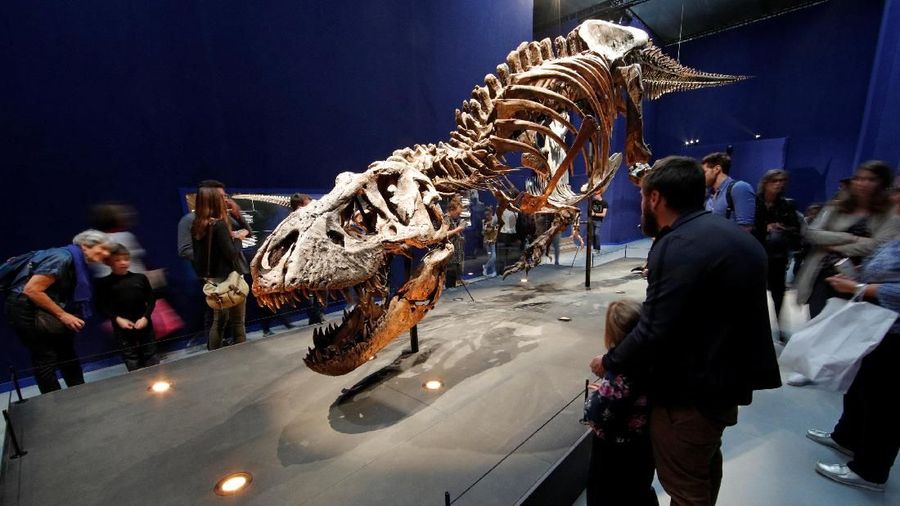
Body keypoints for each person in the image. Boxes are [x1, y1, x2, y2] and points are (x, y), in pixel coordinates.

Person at [590, 156, 781, 505]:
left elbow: (654, 329)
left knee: (684, 483)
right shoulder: (730, 236)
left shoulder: (676, 244)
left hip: (692, 394)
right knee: (704, 466)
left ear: (655, 199)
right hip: (724, 387)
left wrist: (610, 361)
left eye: (642, 198)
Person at [807, 221, 899, 492]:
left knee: (886, 405)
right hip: (880, 326)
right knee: (862, 388)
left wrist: (861, 288)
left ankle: (871, 471)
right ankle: (847, 437)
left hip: (894, 332)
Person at [4, 230, 112, 393]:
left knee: (67, 352)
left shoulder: (74, 261)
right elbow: (32, 290)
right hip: (25, 308)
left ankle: (79, 395)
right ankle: (54, 402)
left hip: (45, 306)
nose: (106, 253)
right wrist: (62, 315)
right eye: (102, 248)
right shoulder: (62, 257)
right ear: (84, 246)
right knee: (45, 356)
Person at [795, 160, 900, 319]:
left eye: (870, 179)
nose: (862, 183)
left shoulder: (889, 214)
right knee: (817, 322)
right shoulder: (835, 207)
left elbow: (876, 247)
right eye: (858, 178)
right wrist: (852, 238)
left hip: (860, 279)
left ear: (882, 183)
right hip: (823, 274)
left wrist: (832, 246)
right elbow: (812, 233)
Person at [584, 299, 657, 506]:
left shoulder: (622, 372)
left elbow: (597, 413)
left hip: (614, 453)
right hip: (643, 447)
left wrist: (598, 398)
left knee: (606, 494)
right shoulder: (651, 361)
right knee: (638, 491)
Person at [191, 186, 249, 350]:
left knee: (218, 323)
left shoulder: (197, 225)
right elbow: (232, 254)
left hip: (214, 281)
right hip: (230, 280)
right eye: (222, 197)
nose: (225, 199)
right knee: (238, 322)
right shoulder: (219, 225)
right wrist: (238, 238)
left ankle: (215, 357)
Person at [96, 243, 159, 371]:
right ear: (109, 262)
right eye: (117, 260)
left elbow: (151, 299)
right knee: (131, 358)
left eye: (125, 259)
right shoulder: (104, 283)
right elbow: (102, 306)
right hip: (122, 327)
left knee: (150, 354)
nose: (123, 263)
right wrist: (117, 319)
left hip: (143, 323)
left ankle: (156, 379)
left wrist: (145, 317)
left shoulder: (140, 278)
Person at [753, 169, 801, 339]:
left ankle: (779, 326)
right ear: (765, 182)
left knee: (778, 292)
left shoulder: (787, 205)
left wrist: (782, 227)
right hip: (755, 253)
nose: (779, 184)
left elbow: (797, 229)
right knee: (753, 292)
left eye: (782, 181)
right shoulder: (754, 202)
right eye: (775, 181)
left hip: (777, 255)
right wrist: (764, 228)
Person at [701, 152, 756, 231]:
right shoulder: (710, 196)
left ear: (717, 169)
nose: (701, 176)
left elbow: (745, 228)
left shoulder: (740, 187)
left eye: (704, 172)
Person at [444, 199, 467, 288]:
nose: (458, 215)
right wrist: (459, 229)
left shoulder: (452, 219)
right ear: (452, 210)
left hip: (454, 257)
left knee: (453, 281)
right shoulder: (446, 218)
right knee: (450, 283)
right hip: (450, 258)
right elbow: (444, 234)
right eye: (457, 213)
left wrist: (459, 236)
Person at [482, 206, 498, 277]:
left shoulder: (495, 220)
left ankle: (485, 267)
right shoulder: (484, 221)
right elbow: (482, 233)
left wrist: (493, 239)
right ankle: (493, 271)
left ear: (491, 213)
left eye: (488, 215)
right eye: (486, 215)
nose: (487, 216)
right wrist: (484, 228)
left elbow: (496, 231)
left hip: (492, 241)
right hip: (486, 241)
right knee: (489, 256)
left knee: (493, 256)